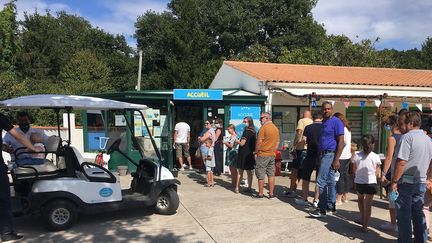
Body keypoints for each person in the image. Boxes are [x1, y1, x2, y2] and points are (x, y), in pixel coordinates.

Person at [391, 111, 432, 242]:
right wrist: (429, 178)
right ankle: (421, 240)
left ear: (411, 123)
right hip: (420, 182)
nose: (400, 126)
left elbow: (401, 162)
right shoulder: (428, 139)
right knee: (418, 214)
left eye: (402, 123)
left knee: (404, 216)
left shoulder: (407, 137)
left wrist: (394, 181)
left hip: (406, 183)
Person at [1, 112, 40, 242]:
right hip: (20, 161)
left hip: (25, 161)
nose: (24, 122)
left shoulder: (36, 132)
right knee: (3, 199)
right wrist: (32, 148)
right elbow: (17, 137)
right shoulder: (2, 119)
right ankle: (6, 232)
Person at [310, 101, 344, 218]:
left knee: (320, 181)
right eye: (324, 109)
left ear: (332, 109)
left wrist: (337, 159)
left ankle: (322, 209)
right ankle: (331, 207)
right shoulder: (324, 122)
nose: (326, 111)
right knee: (330, 181)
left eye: (329, 109)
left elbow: (341, 141)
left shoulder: (336, 122)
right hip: (323, 155)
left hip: (330, 155)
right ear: (322, 110)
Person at [352, 135, 381, 233]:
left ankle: (362, 217)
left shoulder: (357, 155)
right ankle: (365, 226)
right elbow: (377, 173)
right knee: (368, 204)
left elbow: (353, 170)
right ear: (373, 144)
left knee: (360, 200)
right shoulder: (376, 156)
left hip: (359, 182)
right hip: (371, 183)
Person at [294, 111, 323, 206]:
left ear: (313, 119)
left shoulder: (308, 127)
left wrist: (297, 145)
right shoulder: (325, 127)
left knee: (306, 177)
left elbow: (304, 140)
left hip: (310, 154)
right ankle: (316, 200)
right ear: (321, 118)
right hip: (321, 155)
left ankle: (304, 198)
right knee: (319, 179)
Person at [379, 115, 401, 232]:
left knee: (393, 198)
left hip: (394, 171)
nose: (386, 127)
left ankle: (394, 223)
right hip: (406, 172)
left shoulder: (392, 138)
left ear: (392, 124)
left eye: (387, 124)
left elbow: (389, 157)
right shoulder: (406, 136)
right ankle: (402, 222)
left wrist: (383, 173)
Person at [285, 110, 313, 197]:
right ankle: (304, 192)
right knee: (304, 171)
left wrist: (294, 145)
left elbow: (299, 133)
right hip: (309, 149)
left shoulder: (301, 121)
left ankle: (292, 189)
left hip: (300, 148)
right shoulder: (312, 122)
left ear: (303, 115)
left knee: (295, 170)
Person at [254, 112, 280, 199]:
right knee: (271, 174)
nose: (260, 120)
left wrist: (256, 152)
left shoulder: (263, 128)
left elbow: (259, 142)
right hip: (272, 154)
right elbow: (277, 142)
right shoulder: (275, 128)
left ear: (266, 118)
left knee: (261, 174)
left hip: (263, 153)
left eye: (261, 118)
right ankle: (271, 193)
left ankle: (260, 193)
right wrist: (273, 150)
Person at [235, 116, 256, 194]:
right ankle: (249, 187)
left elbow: (242, 143)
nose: (243, 123)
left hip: (243, 153)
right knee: (249, 172)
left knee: (240, 171)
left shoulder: (246, 131)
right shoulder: (254, 131)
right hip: (250, 154)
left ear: (249, 122)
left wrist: (236, 140)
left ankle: (237, 187)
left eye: (244, 121)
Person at [334, 113, 352, 205]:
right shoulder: (348, 129)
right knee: (345, 176)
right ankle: (345, 196)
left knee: (339, 177)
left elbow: (343, 143)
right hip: (347, 156)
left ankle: (339, 198)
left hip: (341, 156)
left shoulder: (341, 129)